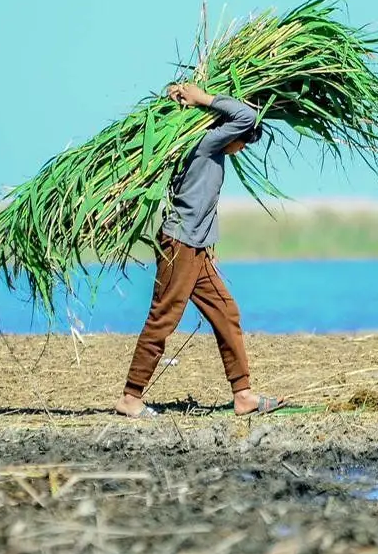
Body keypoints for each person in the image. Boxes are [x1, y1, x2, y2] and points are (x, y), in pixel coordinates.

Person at [115, 82, 291, 419]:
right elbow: (246, 115)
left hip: (196, 247)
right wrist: (202, 98)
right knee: (163, 316)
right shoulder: (208, 144)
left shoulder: (211, 149)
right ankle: (130, 396)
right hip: (180, 243)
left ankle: (243, 395)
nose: (241, 148)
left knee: (226, 312)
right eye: (243, 141)